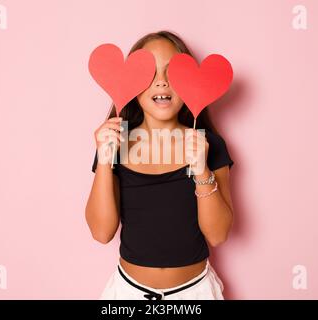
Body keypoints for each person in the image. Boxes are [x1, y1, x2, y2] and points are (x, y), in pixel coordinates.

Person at [85, 30, 235, 300]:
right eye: (149, 73)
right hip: (128, 292)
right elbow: (101, 232)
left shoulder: (209, 145)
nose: (162, 83)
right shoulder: (114, 143)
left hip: (195, 294)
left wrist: (201, 169)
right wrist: (105, 161)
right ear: (131, 83)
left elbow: (218, 234)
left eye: (172, 73)